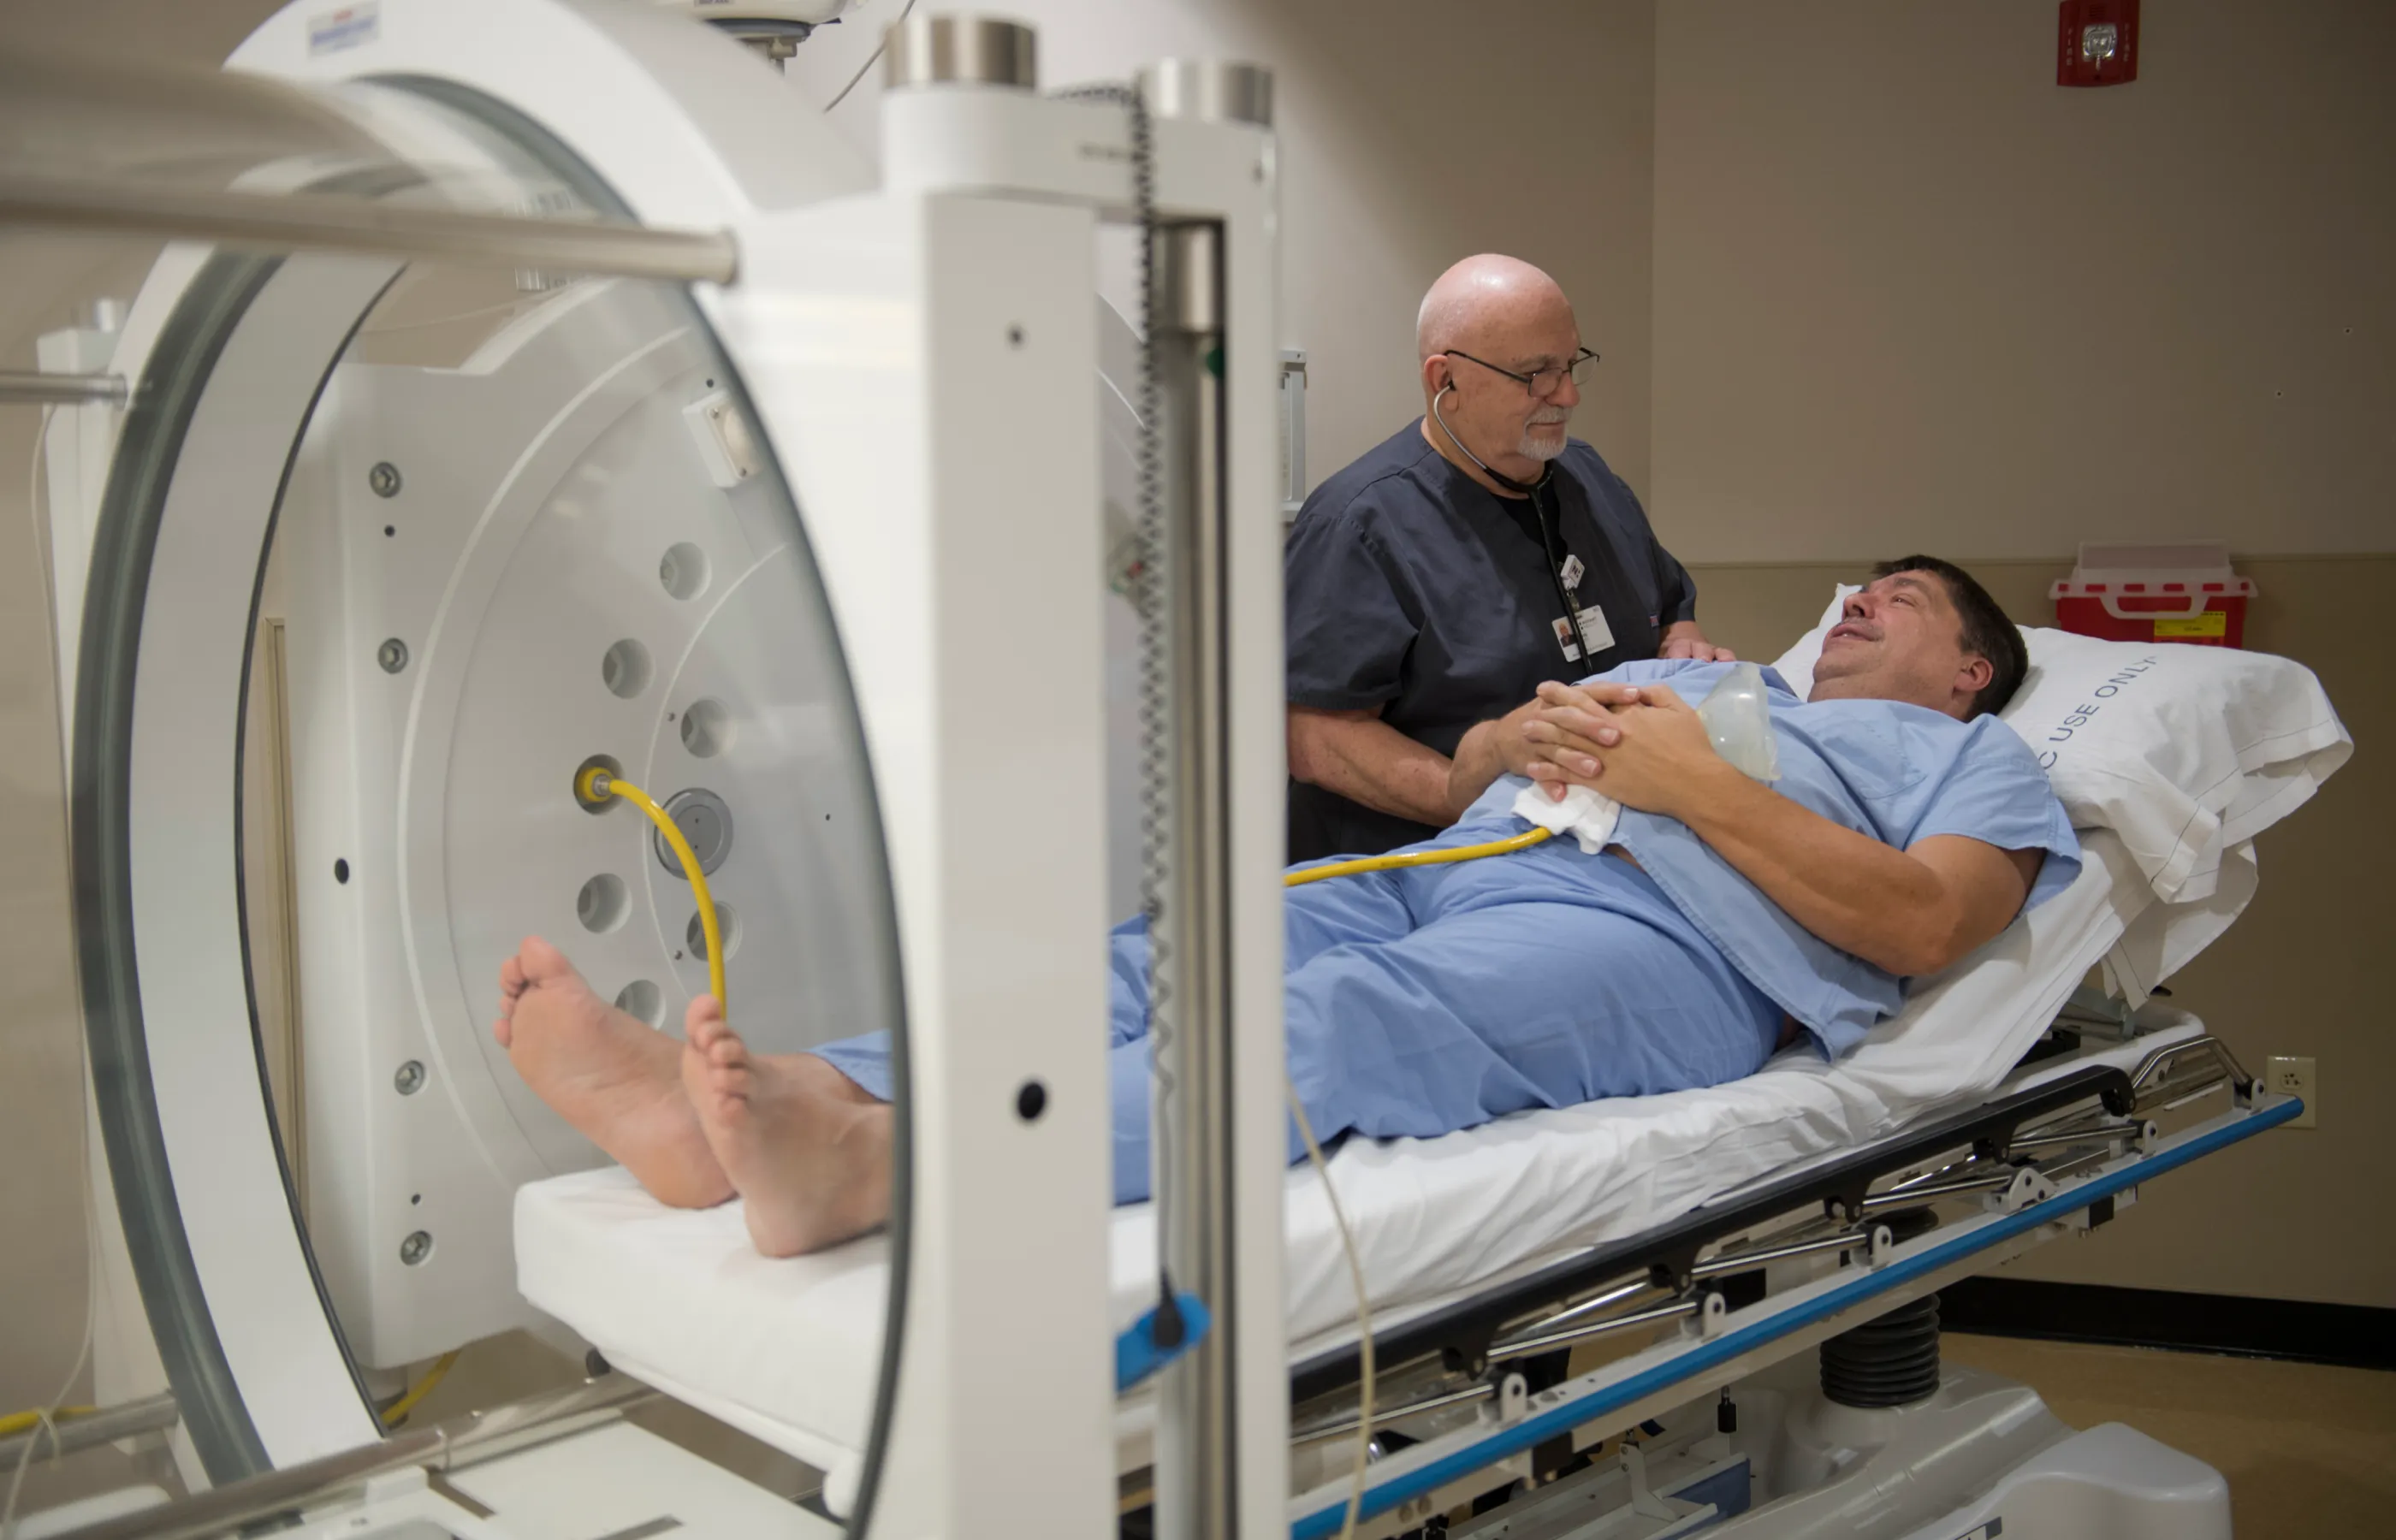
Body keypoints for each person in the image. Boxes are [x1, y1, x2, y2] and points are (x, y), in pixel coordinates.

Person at [496, 558, 2075, 1259]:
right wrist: (1511, 743)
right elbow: (1462, 780)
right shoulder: (1699, 674)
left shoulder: (1969, 763)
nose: (1862, 601)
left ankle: (880, 1167)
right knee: (1161, 952)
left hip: (1668, 943)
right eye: (1859, 587)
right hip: (1479, 858)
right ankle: (778, 1104)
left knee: (1340, 1026)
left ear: (1970, 669)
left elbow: (1929, 929)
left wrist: (1693, 787)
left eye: (1909, 599)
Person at [1284, 253, 1729, 862]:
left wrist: (1684, 648)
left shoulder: (1589, 480)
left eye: (1572, 365)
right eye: (1536, 374)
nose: (1567, 394)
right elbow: (1316, 735)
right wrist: (1464, 787)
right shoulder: (1360, 525)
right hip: (1432, 864)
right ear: (1446, 381)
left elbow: (1671, 605)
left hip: (1607, 851)